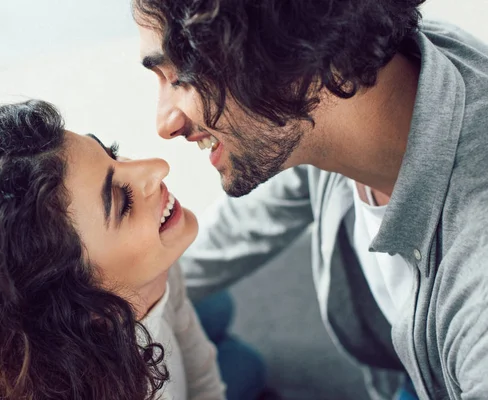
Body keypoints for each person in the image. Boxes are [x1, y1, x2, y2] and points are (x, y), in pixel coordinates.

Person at [131, 0, 488, 399]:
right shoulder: (348, 96)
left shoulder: (477, 290)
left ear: (290, 52)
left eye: (183, 75)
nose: (164, 124)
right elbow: (243, 227)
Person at [0, 100, 226, 400]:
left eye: (111, 152)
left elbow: (201, 372)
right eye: (122, 202)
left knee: (224, 316)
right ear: (78, 307)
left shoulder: (157, 264)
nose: (157, 166)